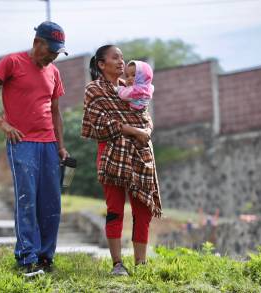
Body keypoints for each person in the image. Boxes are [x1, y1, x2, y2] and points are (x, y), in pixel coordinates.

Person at [0, 21, 69, 276]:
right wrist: (2, 123)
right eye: (51, 50)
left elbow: (56, 112)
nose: (53, 56)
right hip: (22, 143)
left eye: (58, 52)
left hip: (49, 145)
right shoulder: (12, 62)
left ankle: (46, 259)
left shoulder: (53, 72)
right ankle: (27, 258)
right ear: (38, 42)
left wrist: (61, 146)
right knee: (27, 200)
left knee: (52, 204)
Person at [81, 45, 162, 276]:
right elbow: (100, 125)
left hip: (140, 156)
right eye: (115, 58)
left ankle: (141, 263)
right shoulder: (94, 90)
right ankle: (118, 264)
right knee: (115, 209)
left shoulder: (135, 89)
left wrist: (145, 130)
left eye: (122, 58)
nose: (121, 61)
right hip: (111, 155)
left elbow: (145, 117)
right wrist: (133, 130)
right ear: (101, 64)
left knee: (143, 210)